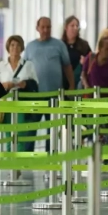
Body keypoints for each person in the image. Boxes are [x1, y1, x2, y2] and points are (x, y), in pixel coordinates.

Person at [24, 16, 74, 151]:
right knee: (32, 126)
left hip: (54, 95)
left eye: (48, 27)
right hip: (36, 96)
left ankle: (50, 156)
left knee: (52, 127)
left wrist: (71, 85)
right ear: (37, 28)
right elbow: (24, 69)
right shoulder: (30, 47)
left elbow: (67, 66)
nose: (46, 30)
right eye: (43, 27)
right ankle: (27, 156)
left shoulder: (59, 45)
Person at [0, 35, 39, 152]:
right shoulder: (0, 66)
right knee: (9, 136)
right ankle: (11, 165)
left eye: (18, 45)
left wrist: (25, 84)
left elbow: (35, 85)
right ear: (8, 47)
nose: (15, 48)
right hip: (6, 106)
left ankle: (18, 165)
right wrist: (3, 85)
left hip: (22, 105)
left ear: (22, 48)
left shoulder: (28, 65)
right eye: (12, 45)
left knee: (20, 135)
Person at [61, 15, 91, 89]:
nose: (75, 28)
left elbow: (91, 59)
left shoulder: (84, 44)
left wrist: (85, 62)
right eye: (72, 26)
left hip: (79, 81)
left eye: (77, 26)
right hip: (63, 80)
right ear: (66, 27)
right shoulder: (60, 45)